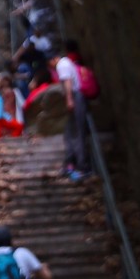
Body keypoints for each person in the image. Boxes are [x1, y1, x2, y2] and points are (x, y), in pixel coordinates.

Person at [54, 37, 90, 181]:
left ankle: (82, 166)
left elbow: (67, 82)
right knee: (71, 131)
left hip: (74, 97)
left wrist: (69, 99)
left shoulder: (62, 64)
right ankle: (71, 163)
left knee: (76, 132)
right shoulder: (67, 62)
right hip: (75, 97)